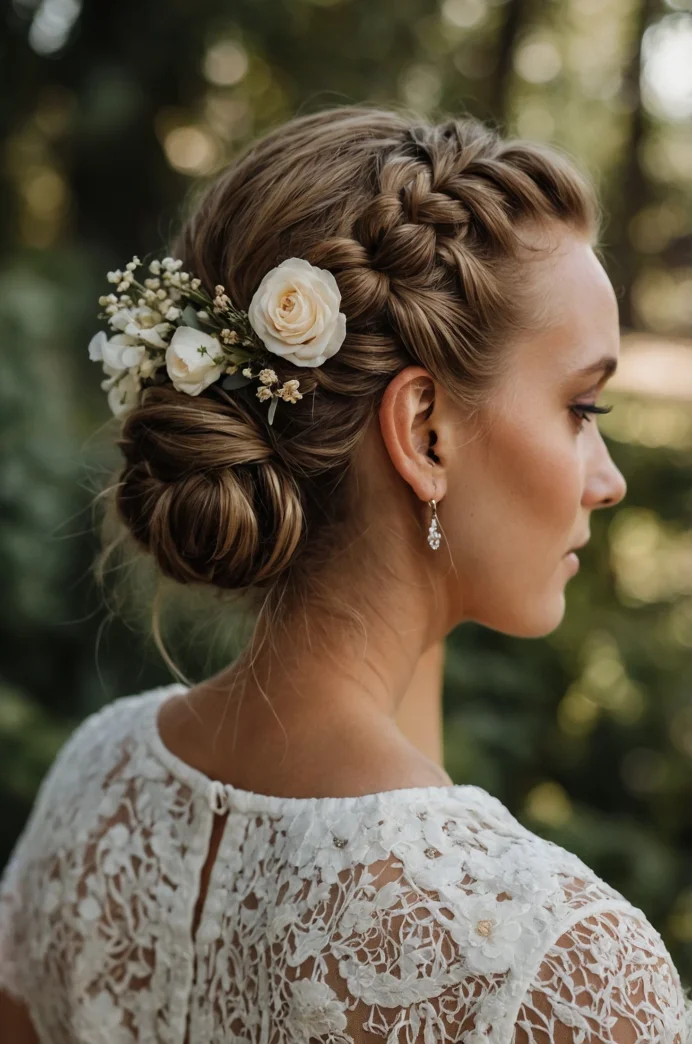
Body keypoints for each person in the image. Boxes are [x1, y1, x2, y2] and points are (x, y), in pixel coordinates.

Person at [1, 103, 690, 1044]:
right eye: (583, 407)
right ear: (422, 430)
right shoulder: (557, 968)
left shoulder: (96, 787)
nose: (606, 482)